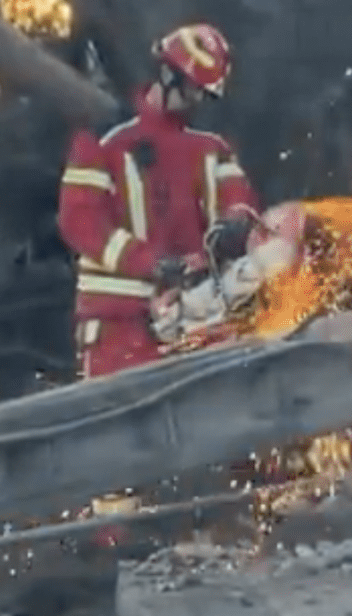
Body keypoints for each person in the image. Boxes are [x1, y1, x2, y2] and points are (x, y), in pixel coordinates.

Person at [57, 22, 262, 378]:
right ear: (167, 74)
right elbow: (80, 222)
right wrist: (150, 262)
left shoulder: (211, 149)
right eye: (191, 90)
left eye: (204, 94)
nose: (196, 102)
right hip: (118, 327)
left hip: (198, 321)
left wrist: (236, 223)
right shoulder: (103, 141)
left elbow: (238, 199)